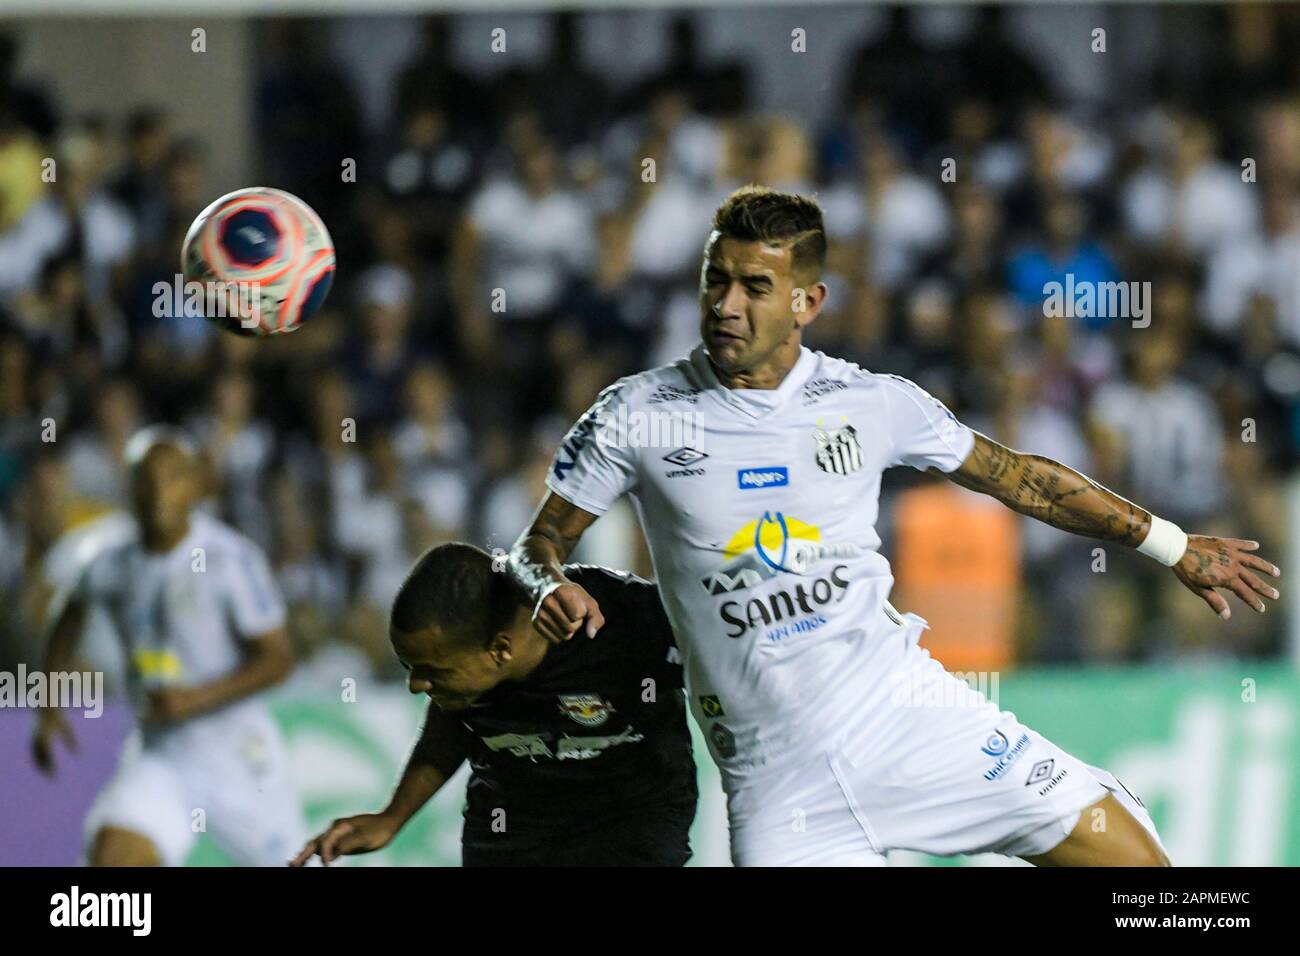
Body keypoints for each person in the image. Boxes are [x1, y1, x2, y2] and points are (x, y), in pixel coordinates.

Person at [508, 185, 1283, 867]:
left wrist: (1171, 544)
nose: (725, 305)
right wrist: (546, 585)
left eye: (754, 286)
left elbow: (1020, 480)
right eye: (716, 280)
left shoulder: (872, 401)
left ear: (808, 302)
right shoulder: (636, 413)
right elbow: (539, 543)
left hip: (909, 718)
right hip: (779, 791)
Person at [292, 542, 696, 867]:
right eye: (410, 668)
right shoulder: (466, 676)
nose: (416, 685)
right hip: (512, 832)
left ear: (500, 649)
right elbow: (451, 727)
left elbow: (730, 664)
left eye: (432, 671)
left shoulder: (625, 620)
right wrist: (392, 817)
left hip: (633, 823)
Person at [32, 426, 306, 866]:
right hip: (163, 756)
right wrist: (48, 706)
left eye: (172, 477)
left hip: (238, 758)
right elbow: (67, 617)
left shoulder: (228, 560)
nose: (158, 491)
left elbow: (278, 659)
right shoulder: (111, 561)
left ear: (196, 484)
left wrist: (195, 698)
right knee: (113, 858)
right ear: (129, 486)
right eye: (145, 479)